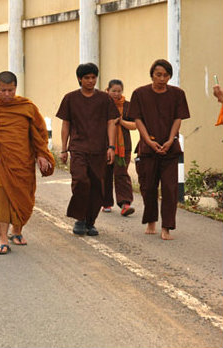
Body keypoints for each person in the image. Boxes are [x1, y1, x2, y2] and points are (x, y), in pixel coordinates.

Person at [0, 71, 55, 254]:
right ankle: (3, 240)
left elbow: (39, 133)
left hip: (22, 162)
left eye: (10, 90)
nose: (7, 94)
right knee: (1, 201)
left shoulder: (27, 107)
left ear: (16, 88)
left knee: (22, 199)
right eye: (2, 90)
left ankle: (16, 230)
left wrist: (41, 154)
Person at [128, 59, 190, 240]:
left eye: (166, 75)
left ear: (170, 76)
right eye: (158, 75)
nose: (162, 79)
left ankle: (167, 227)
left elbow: (178, 118)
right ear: (152, 75)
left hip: (170, 149)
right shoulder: (140, 94)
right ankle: (151, 221)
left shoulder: (178, 94)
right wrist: (147, 140)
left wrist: (171, 139)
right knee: (148, 187)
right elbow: (137, 119)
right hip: (148, 149)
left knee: (170, 189)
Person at [57, 63, 119, 236]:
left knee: (97, 186)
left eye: (93, 77)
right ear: (79, 79)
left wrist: (111, 147)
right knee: (80, 181)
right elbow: (66, 124)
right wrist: (64, 149)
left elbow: (111, 123)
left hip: (99, 149)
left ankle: (90, 222)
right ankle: (80, 219)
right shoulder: (70, 98)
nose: (91, 81)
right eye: (87, 78)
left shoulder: (104, 99)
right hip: (78, 148)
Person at [103, 79, 136, 216]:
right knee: (105, 173)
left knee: (121, 173)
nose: (116, 94)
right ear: (107, 90)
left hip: (124, 147)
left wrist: (120, 121)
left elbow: (134, 125)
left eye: (119, 91)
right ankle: (106, 203)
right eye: (114, 91)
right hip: (104, 144)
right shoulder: (102, 105)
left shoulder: (128, 106)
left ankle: (125, 203)